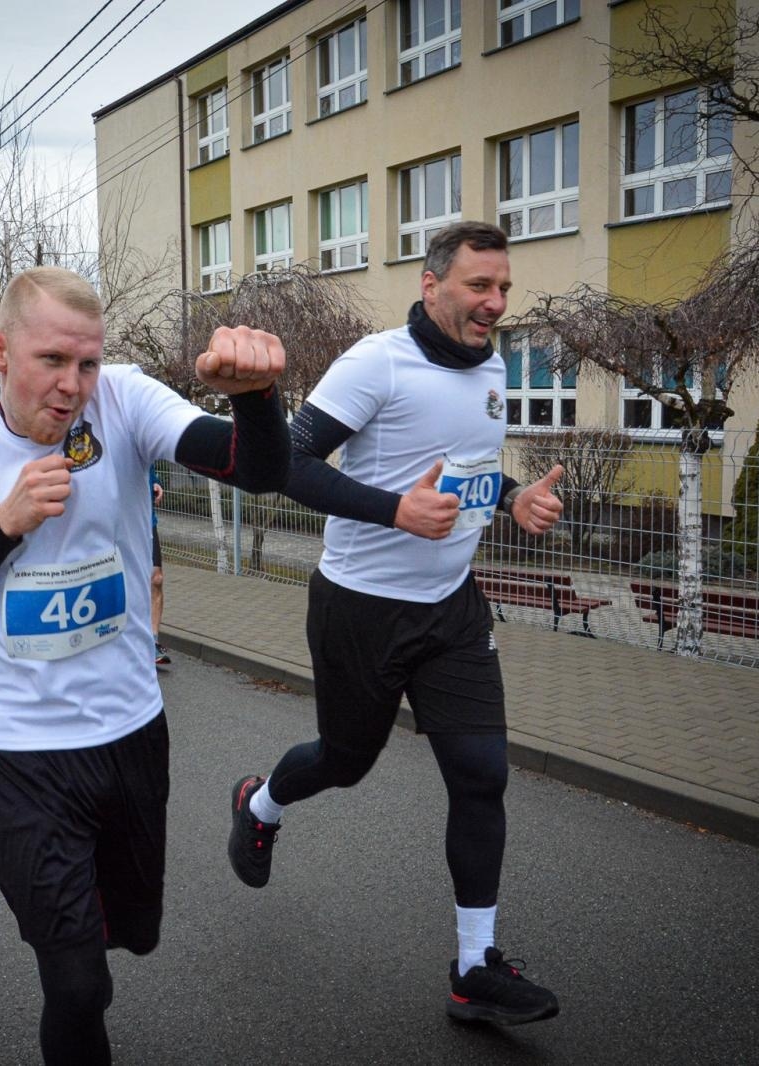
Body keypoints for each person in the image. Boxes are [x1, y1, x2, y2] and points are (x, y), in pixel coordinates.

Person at [0, 266, 289, 1066]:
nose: (74, 386)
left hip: (129, 733)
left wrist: (255, 396)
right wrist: (2, 525)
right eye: (52, 361)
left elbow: (256, 467)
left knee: (123, 939)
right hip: (17, 751)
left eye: (88, 362)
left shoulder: (124, 401)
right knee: (74, 983)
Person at [225, 222, 567, 1027]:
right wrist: (393, 512)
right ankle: (260, 804)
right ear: (431, 284)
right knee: (344, 762)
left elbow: (462, 466)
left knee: (482, 774)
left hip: (451, 609)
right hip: (360, 609)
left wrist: (512, 496)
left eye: (504, 288)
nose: (496, 303)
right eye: (479, 286)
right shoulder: (377, 362)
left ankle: (474, 967)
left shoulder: (492, 369)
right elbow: (283, 466)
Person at [149, 467, 170, 667]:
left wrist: (156, 483)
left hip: (147, 522)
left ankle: (153, 642)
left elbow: (149, 468)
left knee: (156, 579)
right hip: (116, 525)